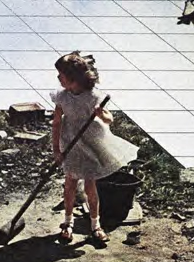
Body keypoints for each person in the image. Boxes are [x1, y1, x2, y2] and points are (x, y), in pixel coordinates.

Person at [51, 52, 139, 243]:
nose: (58, 78)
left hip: (91, 142)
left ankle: (95, 224)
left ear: (73, 78)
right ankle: (67, 223)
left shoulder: (92, 97)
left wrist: (100, 114)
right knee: (70, 184)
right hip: (70, 142)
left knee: (91, 185)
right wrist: (56, 150)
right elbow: (57, 123)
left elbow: (109, 119)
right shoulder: (62, 97)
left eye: (61, 75)